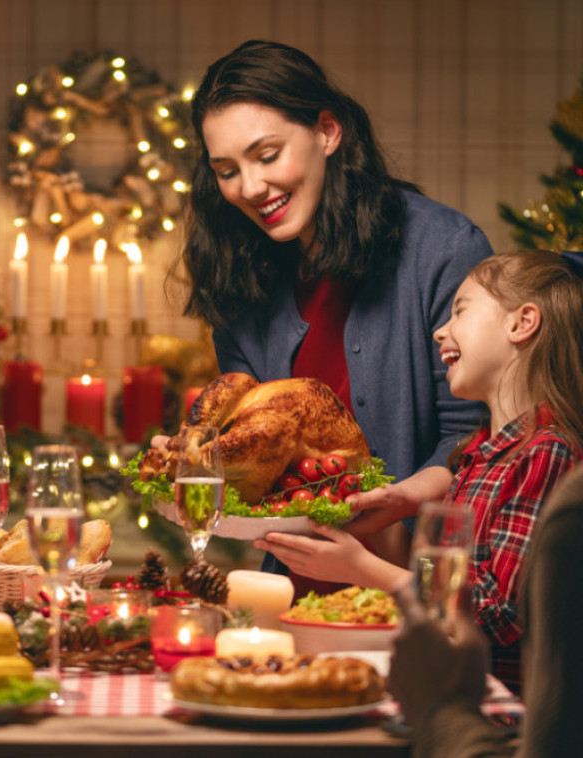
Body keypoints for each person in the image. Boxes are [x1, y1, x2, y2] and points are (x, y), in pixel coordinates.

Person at [176, 38, 493, 593]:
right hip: (292, 586)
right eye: (226, 170)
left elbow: (473, 437)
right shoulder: (238, 272)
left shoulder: (443, 249)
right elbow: (255, 451)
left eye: (267, 156)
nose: (250, 187)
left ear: (327, 131)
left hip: (417, 588)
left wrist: (396, 510)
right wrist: (200, 460)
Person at [257, 249, 583, 692]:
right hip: (448, 695)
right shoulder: (476, 455)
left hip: (499, 713)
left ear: (521, 323)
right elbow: (443, 584)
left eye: (461, 311)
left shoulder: (547, 453)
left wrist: (363, 569)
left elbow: (498, 613)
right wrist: (381, 536)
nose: (439, 331)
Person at [389, 464, 583, 757]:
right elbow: (430, 560)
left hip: (493, 717)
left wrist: (443, 711)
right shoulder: (474, 456)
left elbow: (500, 612)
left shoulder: (570, 508)